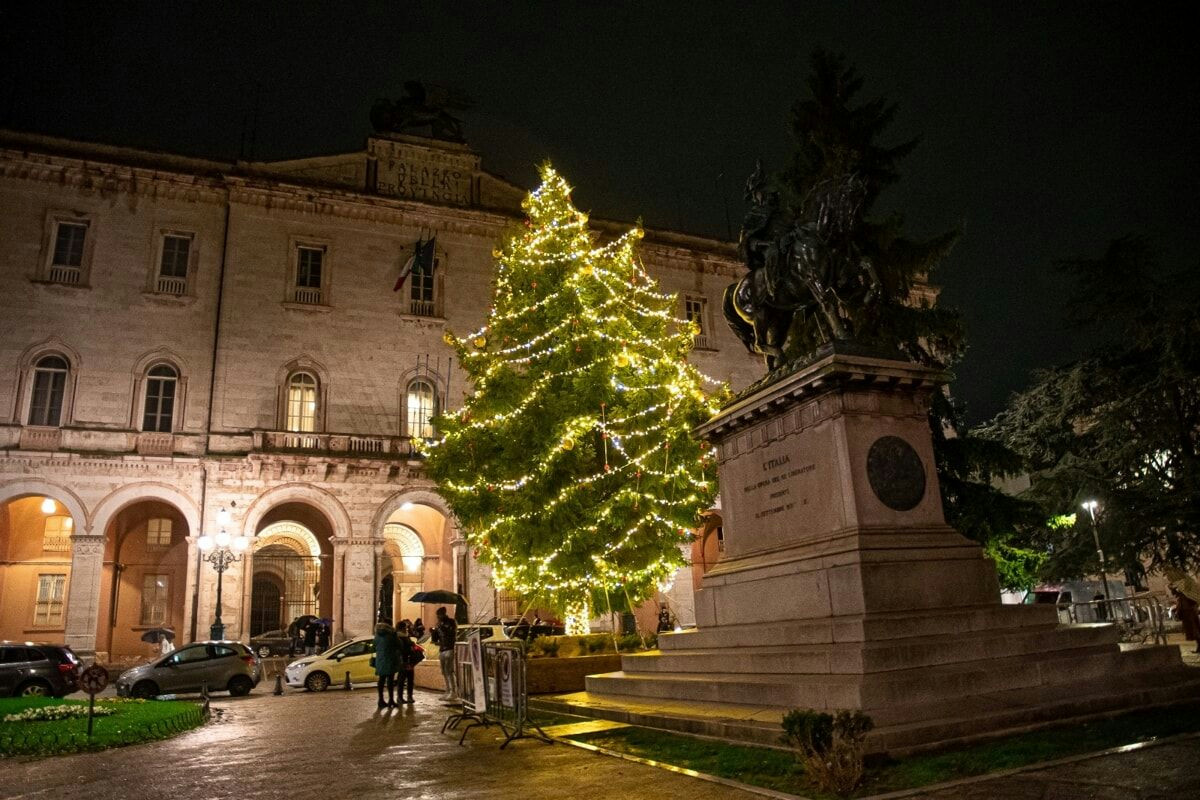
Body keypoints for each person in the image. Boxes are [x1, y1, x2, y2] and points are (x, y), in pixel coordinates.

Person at [373, 620, 401, 708]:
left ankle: (380, 700)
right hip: (390, 659)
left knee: (381, 680)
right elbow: (399, 645)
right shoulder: (392, 634)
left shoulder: (377, 635)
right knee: (390, 680)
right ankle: (391, 700)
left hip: (380, 660)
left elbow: (374, 646)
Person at [432, 606, 458, 700]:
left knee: (449, 671)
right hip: (442, 649)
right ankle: (447, 690)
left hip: (449, 648)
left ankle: (453, 691)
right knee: (444, 671)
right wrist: (434, 633)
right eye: (438, 615)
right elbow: (436, 639)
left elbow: (452, 633)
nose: (438, 616)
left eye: (439, 614)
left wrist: (442, 627)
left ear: (444, 614)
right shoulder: (439, 624)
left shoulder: (451, 622)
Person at [1170, 588, 1200, 654]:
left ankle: (1199, 648)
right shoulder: (1183, 595)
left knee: (1195, 632)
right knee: (1194, 632)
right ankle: (1199, 648)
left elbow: (1184, 606)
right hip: (1189, 616)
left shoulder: (1185, 595)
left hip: (1190, 616)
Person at [395, 620, 416, 704]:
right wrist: (411, 644)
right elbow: (403, 648)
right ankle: (403, 697)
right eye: (405, 627)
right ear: (402, 628)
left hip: (407, 659)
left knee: (407, 678)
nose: (407, 629)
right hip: (404, 660)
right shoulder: (400, 637)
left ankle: (405, 697)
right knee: (403, 678)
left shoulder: (404, 636)